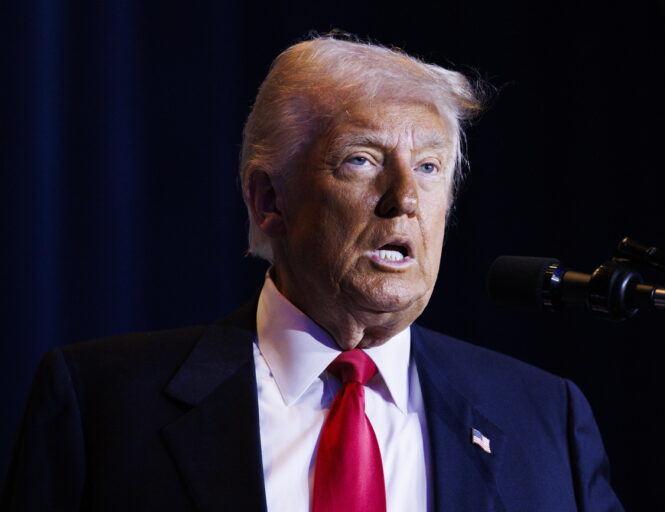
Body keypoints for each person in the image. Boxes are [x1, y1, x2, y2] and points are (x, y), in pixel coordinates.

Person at [1, 35, 625, 511]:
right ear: (269, 200)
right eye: (361, 161)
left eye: (430, 168)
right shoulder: (103, 406)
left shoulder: (545, 419)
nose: (404, 197)